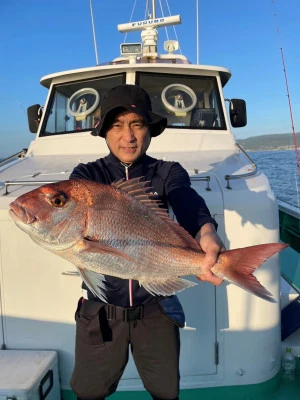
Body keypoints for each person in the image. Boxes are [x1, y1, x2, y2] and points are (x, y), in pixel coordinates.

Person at [69, 84, 225, 400]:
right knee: (87, 392)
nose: (128, 136)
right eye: (117, 125)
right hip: (101, 309)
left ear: (149, 130)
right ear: (103, 130)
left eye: (137, 124)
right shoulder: (87, 175)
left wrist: (205, 231)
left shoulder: (167, 172)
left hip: (156, 307)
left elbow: (185, 199)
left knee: (165, 393)